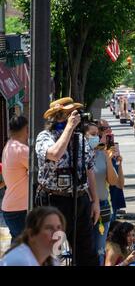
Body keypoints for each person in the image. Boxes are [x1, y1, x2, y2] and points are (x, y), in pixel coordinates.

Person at [35, 97, 100, 266]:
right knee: (52, 253)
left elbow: (89, 169)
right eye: (69, 114)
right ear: (57, 116)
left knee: (87, 254)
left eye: (74, 113)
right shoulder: (45, 137)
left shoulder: (80, 139)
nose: (74, 117)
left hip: (79, 200)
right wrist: (69, 128)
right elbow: (55, 154)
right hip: (55, 201)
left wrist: (95, 202)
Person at [85, 122, 123, 266]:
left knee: (100, 250)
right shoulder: (79, 155)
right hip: (84, 207)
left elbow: (114, 182)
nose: (97, 137)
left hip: (103, 207)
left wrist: (109, 158)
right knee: (87, 250)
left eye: (98, 134)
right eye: (93, 134)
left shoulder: (102, 153)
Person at [0, 206, 65, 266]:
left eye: (59, 227)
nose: (57, 234)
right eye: (49, 228)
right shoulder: (20, 261)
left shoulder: (51, 260)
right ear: (31, 234)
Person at [1, 116, 29, 242]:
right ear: (26, 129)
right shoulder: (21, 150)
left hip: (12, 207)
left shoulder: (9, 146)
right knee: (24, 249)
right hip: (19, 209)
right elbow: (40, 171)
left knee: (18, 248)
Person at [98, 119, 127, 221]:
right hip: (102, 199)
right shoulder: (96, 147)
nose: (108, 130)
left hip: (113, 197)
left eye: (109, 128)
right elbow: (94, 152)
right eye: (104, 129)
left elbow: (120, 183)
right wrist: (103, 143)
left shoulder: (111, 147)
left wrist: (119, 163)